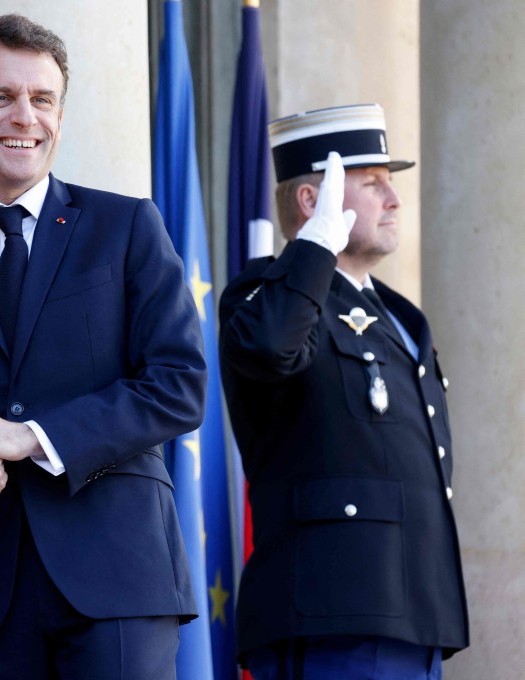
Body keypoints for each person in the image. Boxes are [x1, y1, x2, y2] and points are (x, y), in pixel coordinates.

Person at [0, 14, 207, 680]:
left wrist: (31, 437)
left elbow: (179, 383)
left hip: (119, 580)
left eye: (42, 99)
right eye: (1, 98)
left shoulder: (127, 227)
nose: (26, 116)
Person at [219, 104, 469, 679]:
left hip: (413, 612)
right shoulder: (265, 295)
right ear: (314, 201)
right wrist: (317, 246)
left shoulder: (396, 316)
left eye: (390, 183)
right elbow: (270, 348)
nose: (394, 199)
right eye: (372, 183)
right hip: (334, 613)